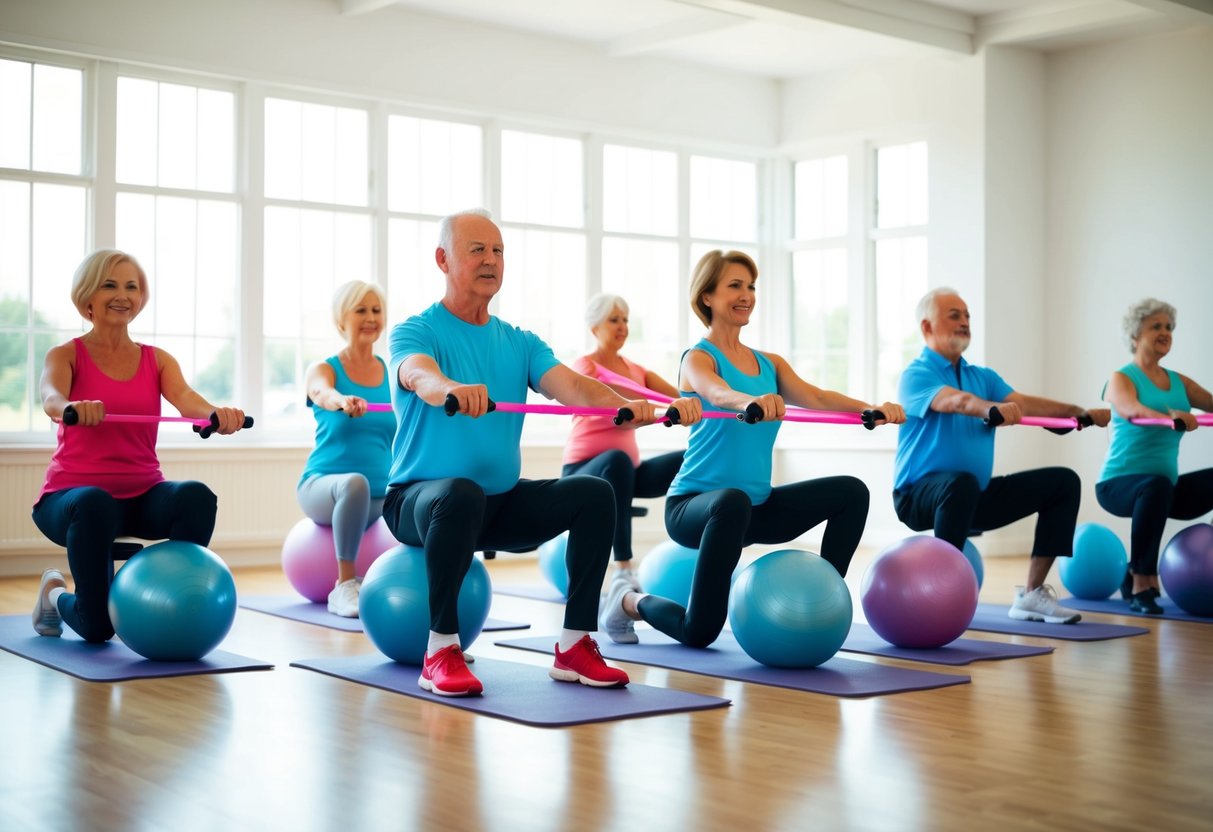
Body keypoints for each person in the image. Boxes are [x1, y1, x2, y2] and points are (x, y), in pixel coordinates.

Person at [384, 208, 696, 697]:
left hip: (497, 504)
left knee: (594, 493)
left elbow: (573, 386)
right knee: (459, 493)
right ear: (443, 259)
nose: (491, 260)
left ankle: (575, 645)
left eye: (498, 251)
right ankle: (441, 650)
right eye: (477, 250)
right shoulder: (415, 331)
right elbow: (417, 375)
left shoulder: (519, 342)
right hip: (417, 502)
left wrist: (629, 407)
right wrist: (450, 387)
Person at [600, 250, 904, 650]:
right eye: (734, 286)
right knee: (699, 631)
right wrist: (749, 402)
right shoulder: (697, 358)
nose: (746, 295)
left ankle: (824, 590)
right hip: (695, 508)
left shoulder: (769, 364)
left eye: (750, 286)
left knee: (850, 492)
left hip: (753, 510)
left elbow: (816, 396)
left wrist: (870, 408)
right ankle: (625, 600)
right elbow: (715, 392)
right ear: (707, 297)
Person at [30, 249, 248, 642]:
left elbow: (187, 400)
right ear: (88, 297)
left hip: (140, 496)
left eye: (132, 286)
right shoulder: (66, 355)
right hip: (70, 502)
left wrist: (216, 415)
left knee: (195, 497)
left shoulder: (156, 360)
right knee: (97, 628)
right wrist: (70, 408)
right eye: (110, 285)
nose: (123, 295)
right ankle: (57, 595)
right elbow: (50, 398)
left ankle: (170, 592)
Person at [892, 287, 1110, 624]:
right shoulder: (916, 374)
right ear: (926, 327)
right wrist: (990, 408)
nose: (965, 322)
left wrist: (1078, 412)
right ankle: (943, 592)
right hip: (918, 497)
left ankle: (1032, 595)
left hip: (971, 495)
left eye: (967, 316)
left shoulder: (983, 377)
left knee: (1063, 482)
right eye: (955, 315)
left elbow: (1024, 404)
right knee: (959, 484)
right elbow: (955, 402)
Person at [562, 293, 698, 639]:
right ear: (595, 327)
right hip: (584, 472)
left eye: (625, 319)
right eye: (614, 320)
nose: (622, 326)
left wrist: (714, 403)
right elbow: (603, 394)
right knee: (617, 460)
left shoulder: (638, 371)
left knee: (688, 459)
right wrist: (648, 405)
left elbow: (682, 397)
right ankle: (623, 567)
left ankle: (702, 541)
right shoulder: (585, 367)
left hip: (625, 475)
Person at [1096, 298, 1213, 614]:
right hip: (1116, 486)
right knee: (1156, 486)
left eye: (1169, 327)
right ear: (1135, 336)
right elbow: (1131, 410)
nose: (1165, 332)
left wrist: (1181, 415)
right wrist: (1171, 417)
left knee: (1167, 485)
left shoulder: (1180, 382)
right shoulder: (1122, 377)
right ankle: (1141, 582)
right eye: (1156, 327)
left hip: (1163, 489)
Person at [298, 281, 395, 617]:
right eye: (361, 310)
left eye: (376, 310)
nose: (370, 318)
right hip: (325, 487)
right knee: (355, 482)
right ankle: (344, 586)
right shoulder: (325, 369)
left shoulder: (391, 373)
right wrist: (342, 402)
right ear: (342, 319)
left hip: (381, 496)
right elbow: (321, 392)